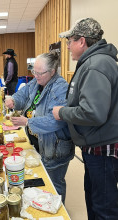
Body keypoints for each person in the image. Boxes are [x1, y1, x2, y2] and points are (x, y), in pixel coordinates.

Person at [52, 18, 118, 219]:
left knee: (103, 207)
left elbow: (94, 113)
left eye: (70, 41)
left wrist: (62, 112)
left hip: (102, 150)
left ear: (82, 41)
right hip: (96, 147)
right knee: (95, 200)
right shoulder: (94, 62)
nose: (68, 46)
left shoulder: (95, 65)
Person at [5, 52, 74, 203]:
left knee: (54, 185)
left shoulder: (60, 88)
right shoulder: (38, 81)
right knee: (42, 181)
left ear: (52, 72)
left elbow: (55, 121)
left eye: (39, 72)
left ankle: (57, 210)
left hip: (54, 147)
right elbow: (23, 95)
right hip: (39, 143)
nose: (35, 75)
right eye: (33, 71)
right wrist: (13, 100)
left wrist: (28, 122)